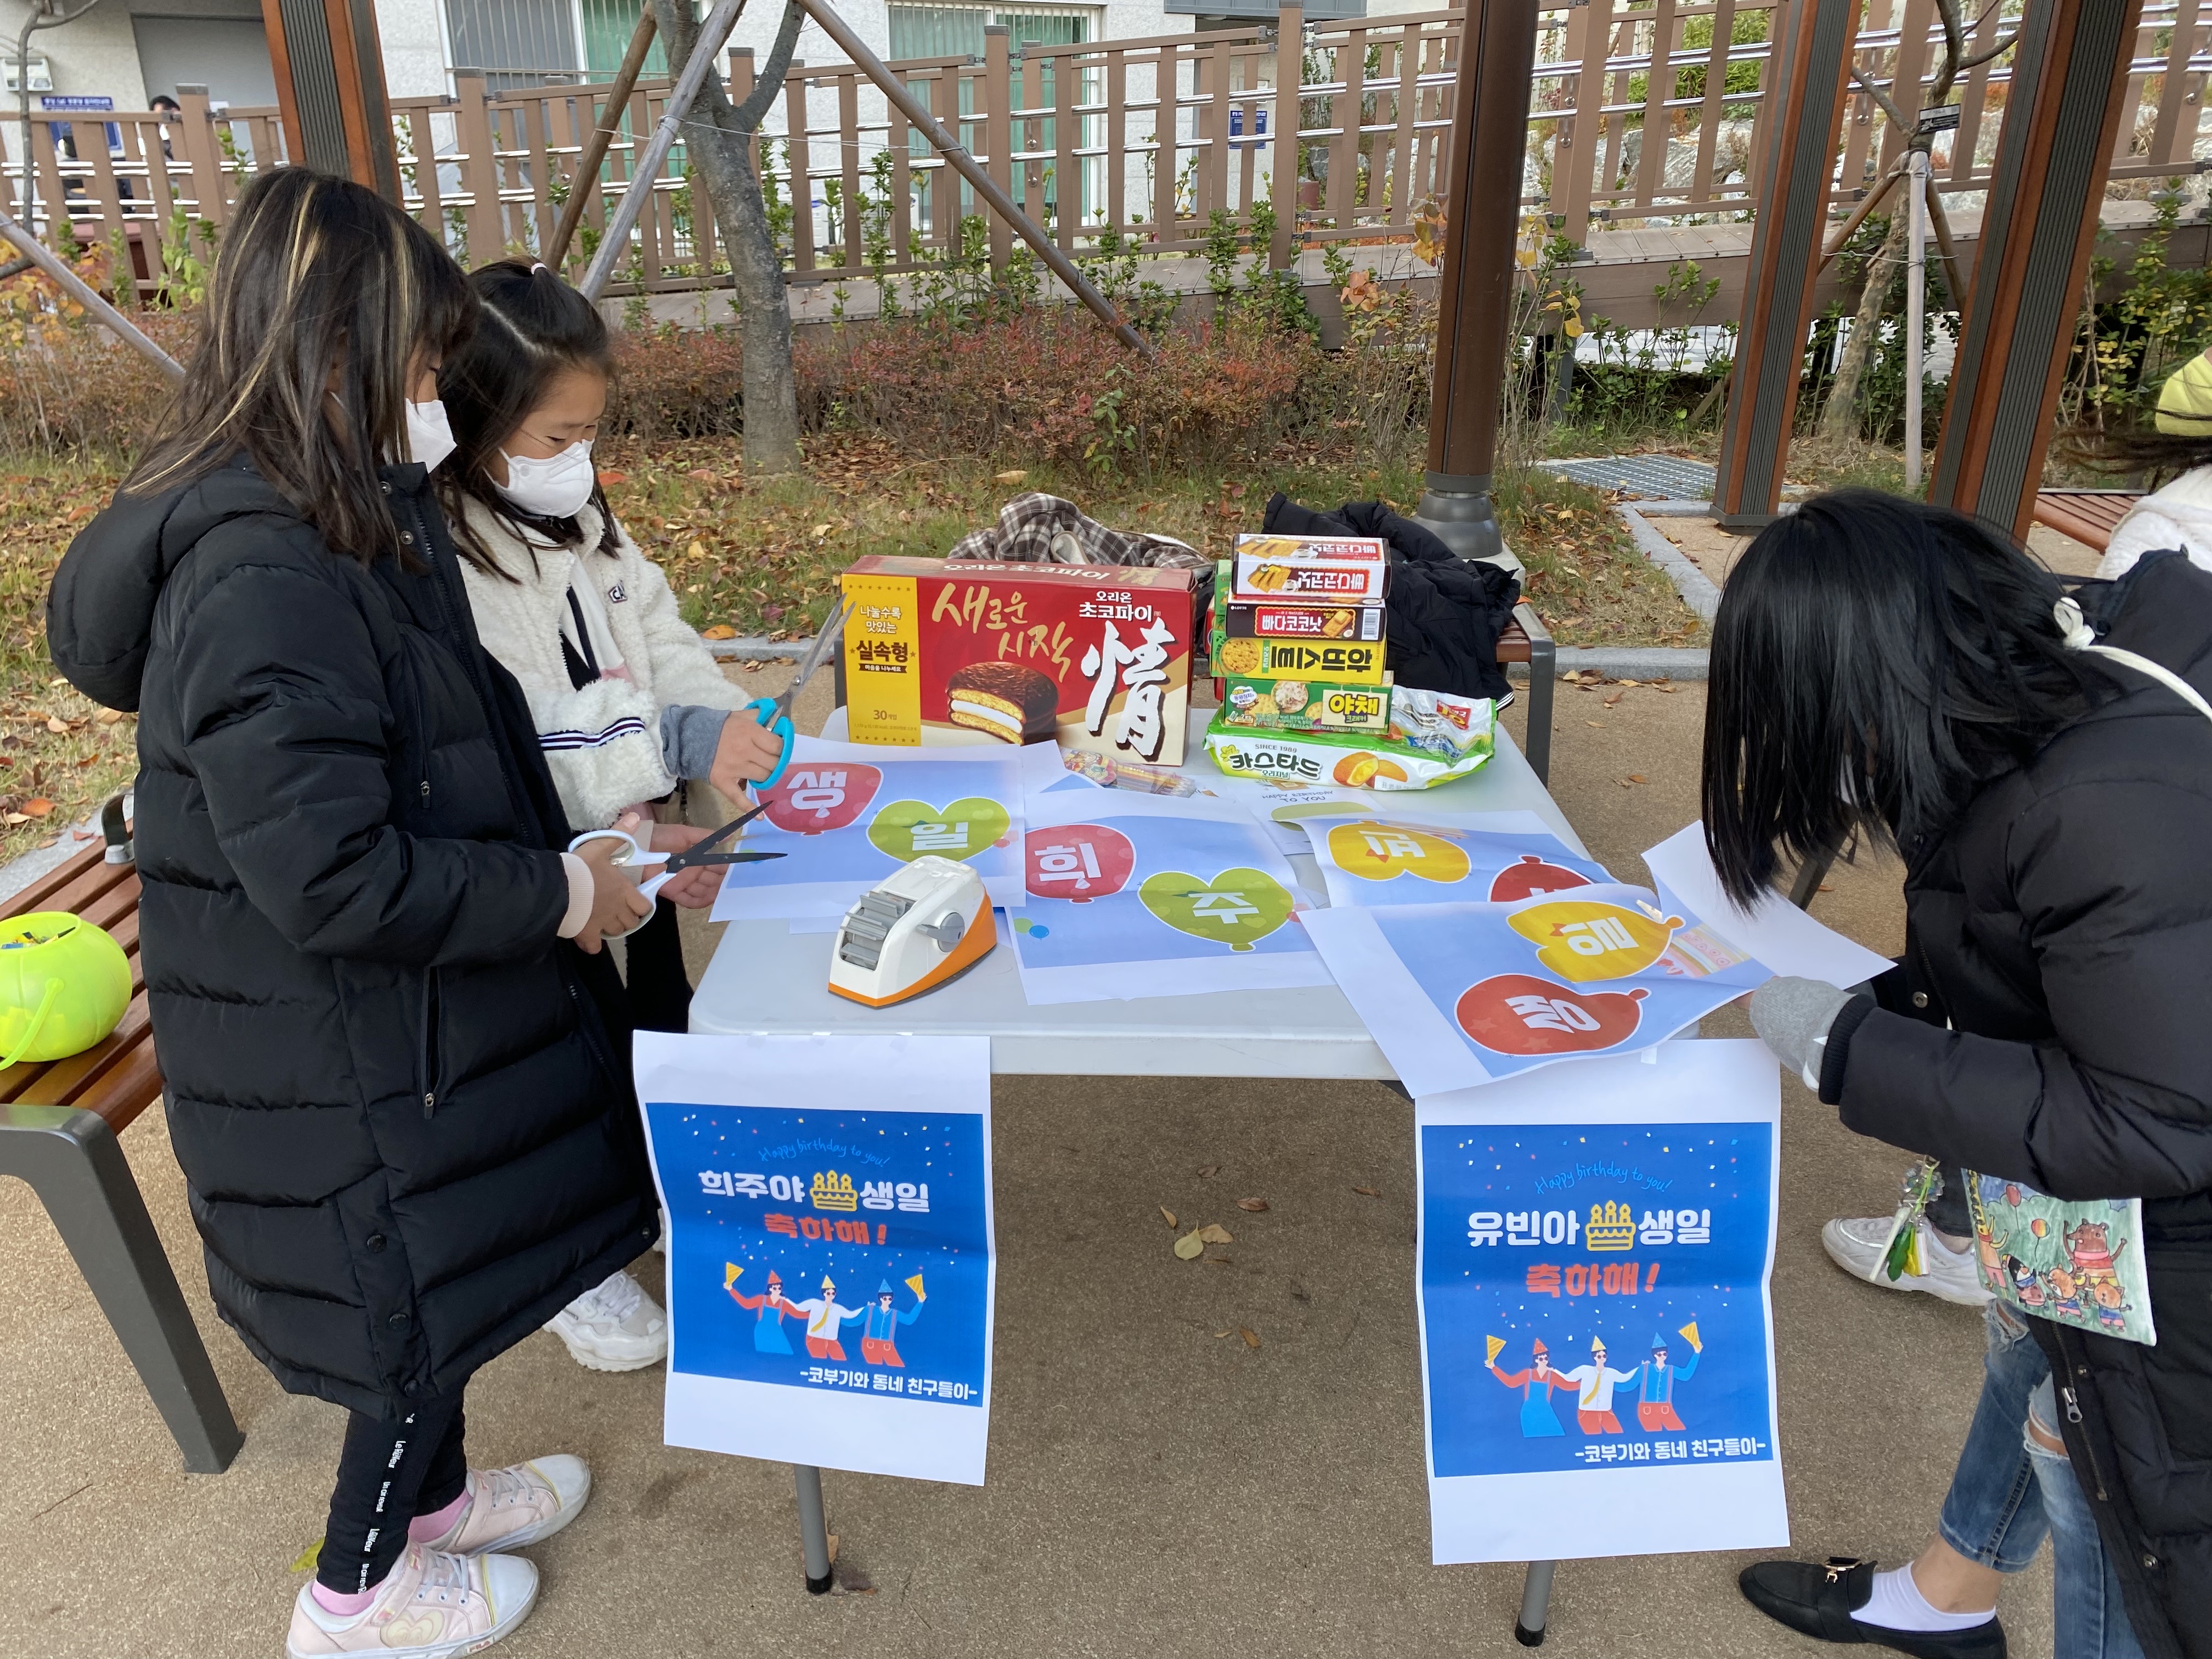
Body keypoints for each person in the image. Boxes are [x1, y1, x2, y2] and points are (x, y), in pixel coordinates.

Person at [47, 168, 661, 1659]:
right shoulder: (261, 568)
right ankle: (355, 1595)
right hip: (343, 1054)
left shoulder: (334, 508)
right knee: (402, 1327)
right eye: (422, 369)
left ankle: (438, 1510)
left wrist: (569, 852)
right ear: (340, 355)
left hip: (396, 1022)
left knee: (441, 1286)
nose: (438, 400)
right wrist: (556, 892)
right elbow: (330, 874)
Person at [1703, 489, 2212, 1659]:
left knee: (2108, 1486)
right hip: (2114, 1202)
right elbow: (2048, 965)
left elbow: (2155, 1120)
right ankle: (1949, 1595)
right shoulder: (2033, 705)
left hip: (2176, 1229)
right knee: (2036, 1339)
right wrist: (1889, 1001)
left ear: (1862, 685)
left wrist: (1852, 1051)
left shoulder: (2096, 804)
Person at [432, 259, 782, 1373]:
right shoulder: (442, 557)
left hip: (631, 846)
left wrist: (723, 732)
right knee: (553, 1073)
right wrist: (675, 747)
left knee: (652, 1030)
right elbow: (522, 737)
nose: (578, 457)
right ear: (472, 417)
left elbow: (658, 638)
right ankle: (570, 1260)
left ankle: (658, 1189)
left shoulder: (582, 517)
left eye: (590, 432)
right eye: (555, 435)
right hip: (537, 872)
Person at [1488, 1338, 1574, 1437]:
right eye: (1541, 1359)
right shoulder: (1528, 1374)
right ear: (1536, 1360)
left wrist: (1585, 1384)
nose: (1544, 1361)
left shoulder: (1552, 1375)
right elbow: (1511, 1383)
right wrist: (1494, 1368)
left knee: (1556, 1433)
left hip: (1546, 1411)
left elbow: (1567, 1386)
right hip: (1530, 1412)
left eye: (1546, 1358)